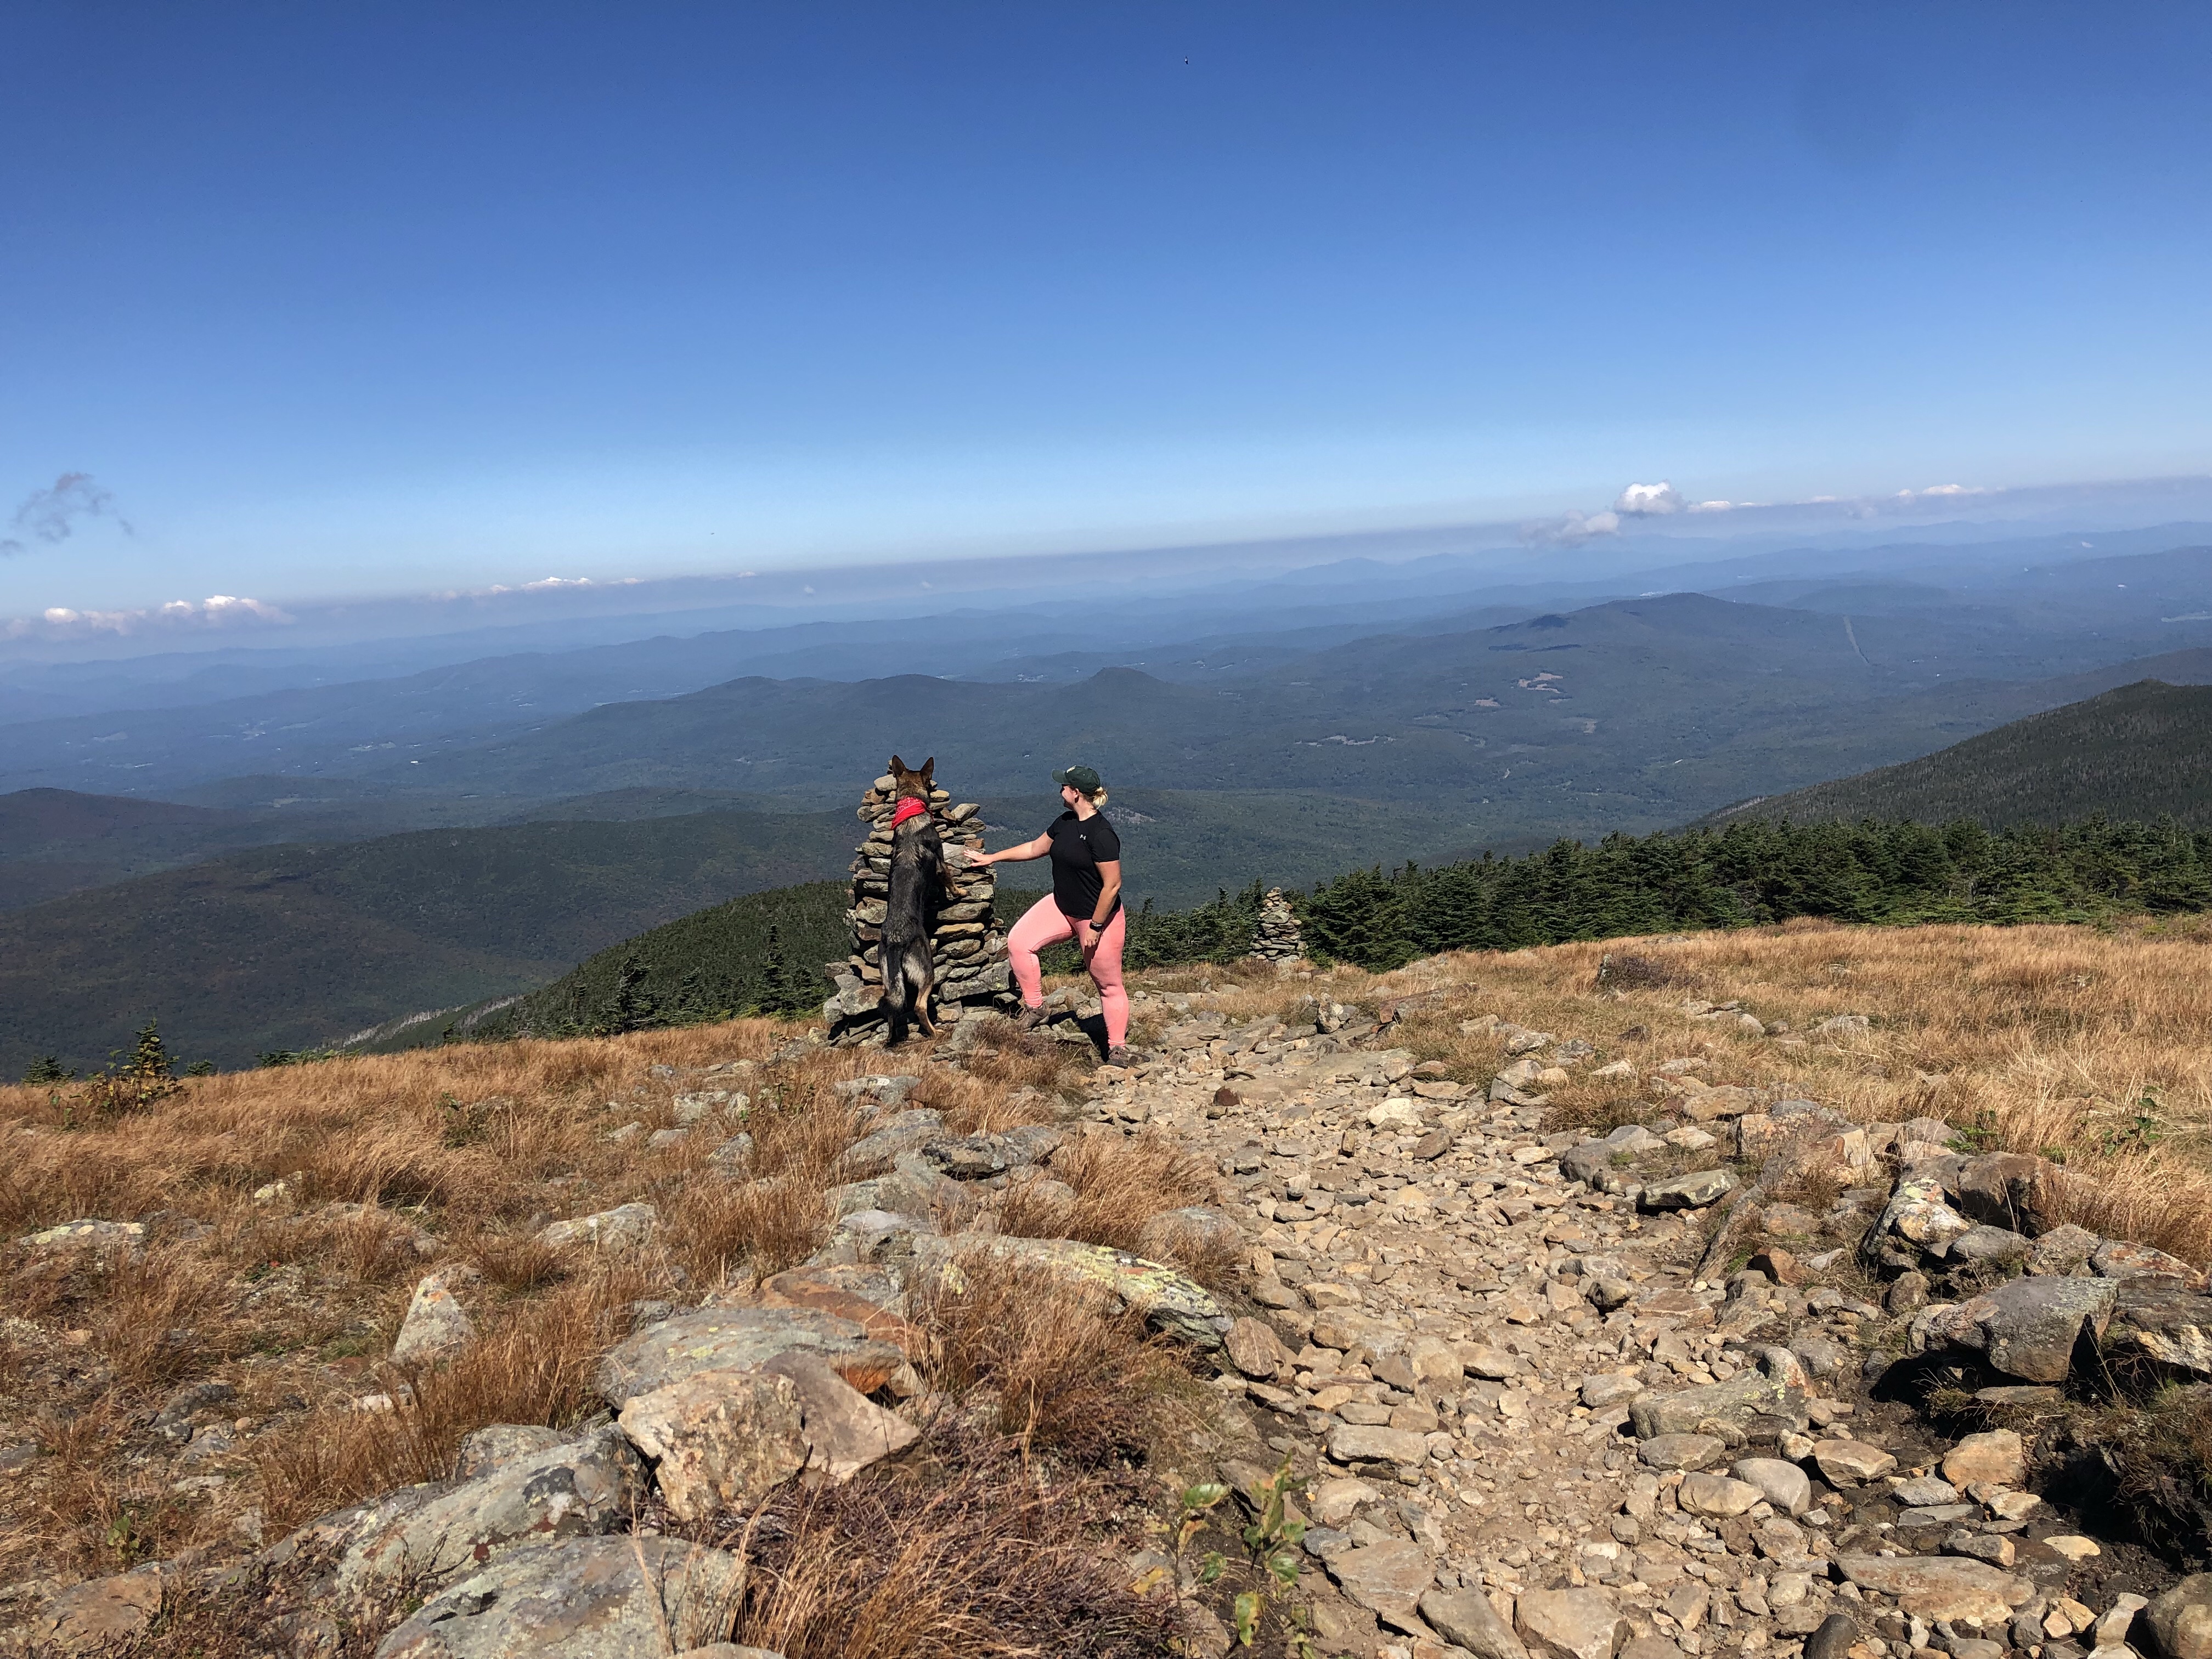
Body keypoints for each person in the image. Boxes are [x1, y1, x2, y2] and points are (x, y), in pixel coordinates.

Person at [969, 763, 1132, 1066]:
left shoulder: (1102, 834)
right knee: (1019, 942)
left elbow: (1112, 886)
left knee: (1108, 985)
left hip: (1097, 918)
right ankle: (1036, 1008)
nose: (1060, 790)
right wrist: (992, 858)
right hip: (1061, 906)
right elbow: (1035, 848)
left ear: (1077, 794)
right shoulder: (1065, 821)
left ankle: (1117, 1047)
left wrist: (1096, 925)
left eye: (1064, 787)